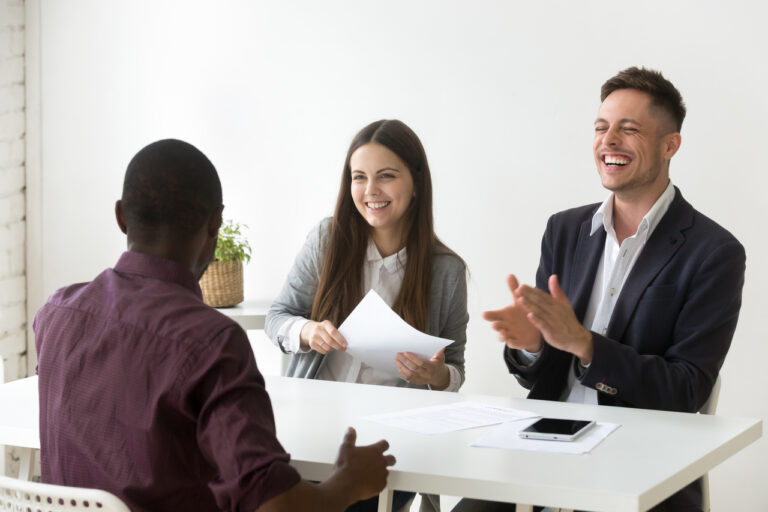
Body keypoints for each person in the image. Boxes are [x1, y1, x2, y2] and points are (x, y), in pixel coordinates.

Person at [34, 139, 396, 512]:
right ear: (215, 223)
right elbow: (277, 507)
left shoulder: (56, 314)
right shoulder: (211, 342)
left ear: (121, 217)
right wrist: (349, 483)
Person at [457, 67, 746, 512]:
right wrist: (533, 345)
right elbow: (540, 375)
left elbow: (687, 389)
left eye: (629, 129)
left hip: (640, 461)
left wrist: (586, 345)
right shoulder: (565, 230)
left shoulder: (714, 252)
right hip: (543, 446)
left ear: (670, 145)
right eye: (600, 127)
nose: (608, 141)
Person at [266, 119, 469, 511]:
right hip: (312, 433)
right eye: (359, 177)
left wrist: (436, 376)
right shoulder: (327, 240)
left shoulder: (446, 271)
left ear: (416, 183)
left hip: (387, 445)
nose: (371, 191)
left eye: (386, 176)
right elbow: (278, 318)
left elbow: (455, 369)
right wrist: (307, 331)